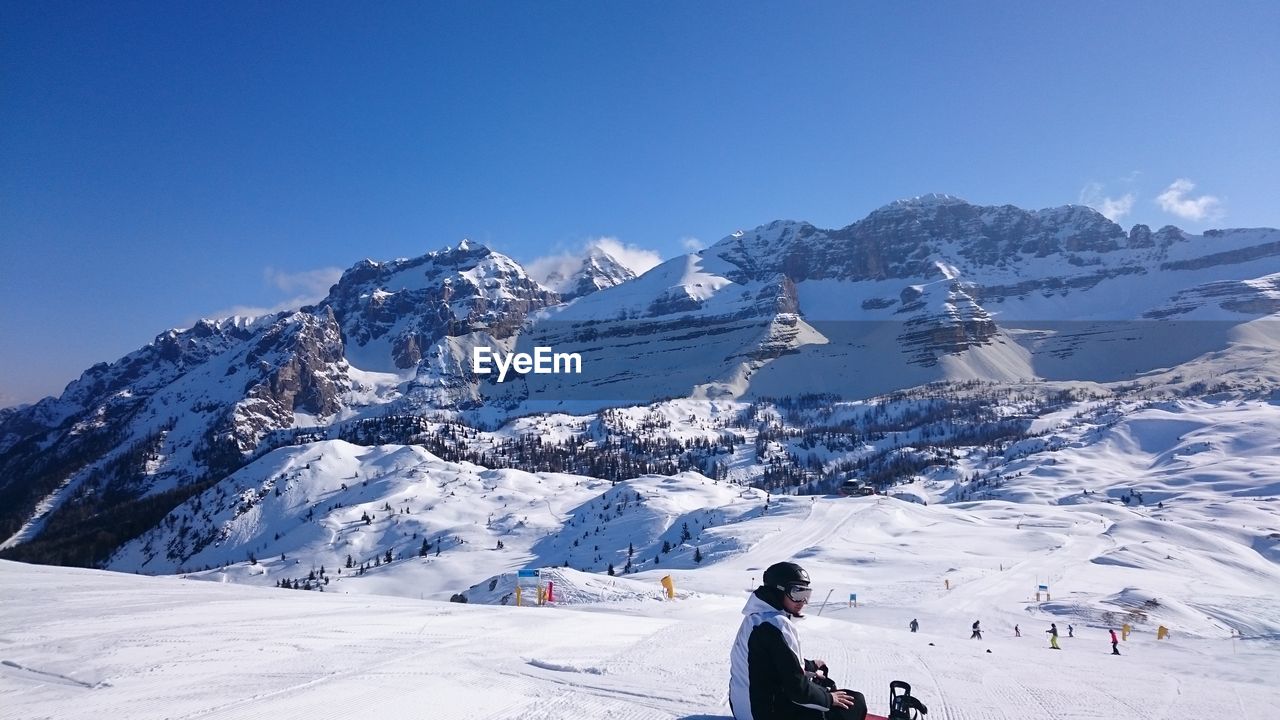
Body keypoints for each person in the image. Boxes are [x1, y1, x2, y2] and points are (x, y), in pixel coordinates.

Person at [730, 561, 867, 719]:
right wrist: (829, 699)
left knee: (818, 685)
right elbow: (798, 692)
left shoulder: (755, 618)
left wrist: (811, 665)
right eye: (797, 593)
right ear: (778, 590)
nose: (802, 601)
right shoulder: (777, 624)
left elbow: (771, 660)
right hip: (764, 714)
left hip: (742, 710)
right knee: (856, 702)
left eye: (806, 594)